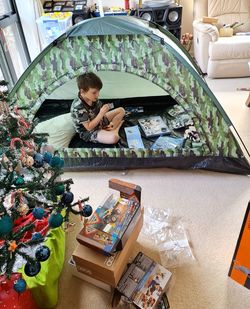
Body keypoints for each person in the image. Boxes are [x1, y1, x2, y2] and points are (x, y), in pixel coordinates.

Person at [71, 72, 125, 144]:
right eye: (94, 92)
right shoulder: (78, 107)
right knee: (114, 138)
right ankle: (117, 127)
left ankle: (110, 128)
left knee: (121, 110)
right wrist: (101, 113)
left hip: (99, 121)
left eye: (98, 91)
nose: (98, 95)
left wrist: (104, 110)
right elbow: (89, 127)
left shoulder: (93, 98)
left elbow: (99, 113)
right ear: (82, 91)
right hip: (89, 131)